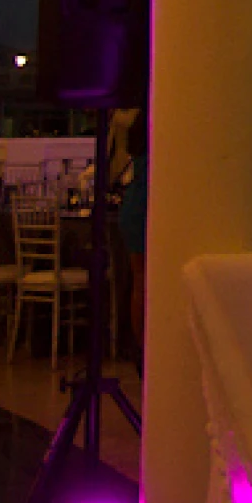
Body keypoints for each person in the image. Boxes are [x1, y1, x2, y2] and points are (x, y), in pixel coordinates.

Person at [115, 109, 149, 367]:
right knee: (145, 280)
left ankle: (141, 348)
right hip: (146, 205)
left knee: (140, 279)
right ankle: (145, 348)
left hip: (134, 204)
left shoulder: (136, 137)